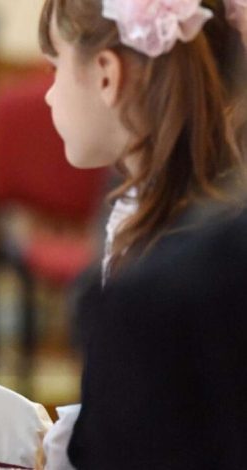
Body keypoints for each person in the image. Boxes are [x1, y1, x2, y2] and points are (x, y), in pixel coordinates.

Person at [38, 0, 247, 468]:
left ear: (107, 75)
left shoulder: (160, 286)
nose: (49, 95)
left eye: (54, 68)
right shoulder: (153, 214)